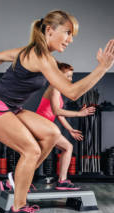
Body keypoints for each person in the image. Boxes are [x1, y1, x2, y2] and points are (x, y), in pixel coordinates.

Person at [0, 10, 114, 213]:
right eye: (67, 33)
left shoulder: (35, 53)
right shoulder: (41, 57)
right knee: (31, 150)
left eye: (73, 35)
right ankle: (17, 209)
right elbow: (71, 92)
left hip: (11, 107)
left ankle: (17, 181)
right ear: (50, 30)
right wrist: (103, 68)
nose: (70, 40)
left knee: (52, 133)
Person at [36, 62, 95, 190]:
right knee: (67, 147)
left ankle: (13, 179)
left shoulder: (56, 89)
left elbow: (58, 114)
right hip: (42, 126)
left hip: (45, 127)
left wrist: (70, 129)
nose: (70, 79)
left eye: (71, 76)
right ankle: (62, 181)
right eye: (67, 76)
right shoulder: (54, 88)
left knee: (38, 155)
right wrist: (79, 114)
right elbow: (57, 111)